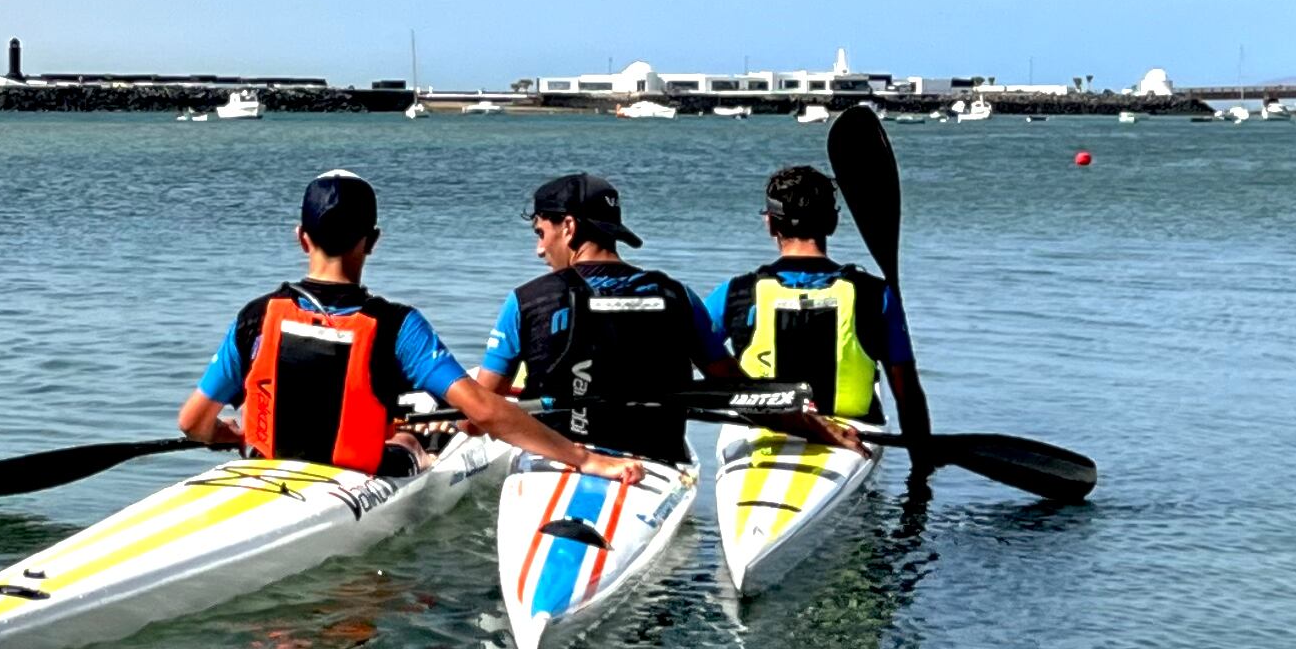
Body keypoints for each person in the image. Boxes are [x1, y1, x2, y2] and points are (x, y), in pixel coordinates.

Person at [180, 172, 641, 481]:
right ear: (373, 242)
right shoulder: (398, 325)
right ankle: (412, 444)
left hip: (265, 471)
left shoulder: (256, 316)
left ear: (302, 237)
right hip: (358, 475)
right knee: (408, 436)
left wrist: (232, 434)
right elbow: (483, 410)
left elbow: (194, 423)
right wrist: (583, 457)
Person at [468, 173, 743, 466]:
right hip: (656, 464)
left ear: (569, 227)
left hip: (556, 462)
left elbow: (474, 421)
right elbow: (733, 388)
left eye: (541, 233)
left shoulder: (526, 301)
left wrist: (452, 421)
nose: (539, 250)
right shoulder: (678, 296)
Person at [715, 162, 925, 446]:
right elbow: (907, 394)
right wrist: (920, 472)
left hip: (756, 431)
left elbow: (678, 355)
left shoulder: (734, 293)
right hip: (854, 435)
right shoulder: (877, 295)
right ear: (833, 223)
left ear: (771, 225)